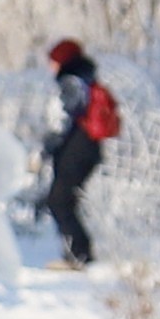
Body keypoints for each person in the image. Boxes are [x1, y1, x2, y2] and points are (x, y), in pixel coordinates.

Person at [43, 39, 124, 268]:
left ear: (62, 60)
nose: (50, 66)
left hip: (76, 147)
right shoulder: (86, 78)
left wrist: (46, 149)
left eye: (53, 60)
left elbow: (62, 120)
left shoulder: (71, 82)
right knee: (65, 200)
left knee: (59, 200)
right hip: (87, 146)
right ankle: (76, 254)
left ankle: (79, 255)